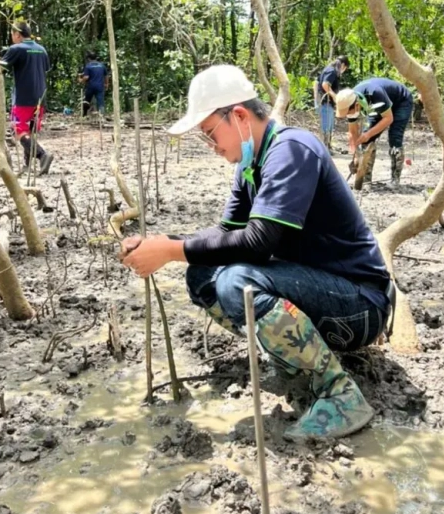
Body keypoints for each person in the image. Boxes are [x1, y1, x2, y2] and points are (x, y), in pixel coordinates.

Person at [120, 65, 393, 441]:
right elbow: (227, 232)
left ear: (239, 116)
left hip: (360, 306)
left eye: (210, 134)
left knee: (238, 283)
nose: (213, 147)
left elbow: (258, 241)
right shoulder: (251, 165)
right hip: (320, 293)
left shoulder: (291, 150)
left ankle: (340, 394)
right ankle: (292, 358)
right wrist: (164, 243)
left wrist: (170, 250)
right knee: (203, 275)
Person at [336, 77, 414, 185]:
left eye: (348, 112)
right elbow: (353, 132)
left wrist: (368, 134)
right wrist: (356, 155)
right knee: (366, 141)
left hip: (401, 102)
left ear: (356, 105)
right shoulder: (349, 101)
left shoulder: (375, 93)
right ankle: (366, 179)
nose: (348, 116)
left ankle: (395, 179)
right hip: (377, 107)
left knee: (394, 136)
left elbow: (388, 118)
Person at [0, 22, 53, 175]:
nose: (12, 38)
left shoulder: (16, 49)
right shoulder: (41, 49)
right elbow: (46, 68)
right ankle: (27, 164)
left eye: (12, 35)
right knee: (29, 132)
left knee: (19, 130)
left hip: (23, 97)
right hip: (40, 97)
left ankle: (43, 155)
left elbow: (1, 68)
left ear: (17, 34)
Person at [314, 56, 349, 151]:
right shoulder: (332, 71)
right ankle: (324, 148)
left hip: (325, 102)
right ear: (343, 65)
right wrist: (334, 96)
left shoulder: (328, 69)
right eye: (345, 68)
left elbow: (317, 82)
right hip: (326, 101)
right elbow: (325, 84)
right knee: (326, 125)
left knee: (329, 125)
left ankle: (327, 146)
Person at [78, 52, 109, 116]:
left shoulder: (88, 66)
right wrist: (106, 84)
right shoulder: (102, 66)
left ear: (89, 59)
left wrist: (81, 80)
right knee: (100, 102)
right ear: (96, 58)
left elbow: (86, 77)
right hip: (100, 86)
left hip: (91, 86)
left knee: (87, 100)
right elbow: (106, 76)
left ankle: (84, 115)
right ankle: (102, 116)